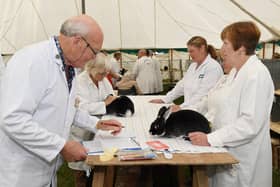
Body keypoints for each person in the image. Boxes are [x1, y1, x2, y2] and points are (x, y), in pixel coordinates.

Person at [0, 15, 123, 187]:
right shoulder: (31, 61)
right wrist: (61, 146)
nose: (93, 58)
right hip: (20, 174)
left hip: (45, 171)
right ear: (78, 41)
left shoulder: (68, 66)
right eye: (94, 52)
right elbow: (12, 119)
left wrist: (96, 124)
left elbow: (66, 109)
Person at [188, 21, 274, 187]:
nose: (222, 48)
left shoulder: (256, 75)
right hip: (226, 150)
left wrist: (210, 138)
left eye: (226, 43)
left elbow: (249, 124)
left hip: (243, 157)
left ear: (241, 48)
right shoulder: (235, 72)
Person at [69, 53, 118, 187]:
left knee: (97, 165)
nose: (103, 77)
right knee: (81, 171)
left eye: (105, 73)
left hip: (98, 126)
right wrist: (104, 104)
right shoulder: (79, 82)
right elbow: (81, 107)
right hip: (81, 132)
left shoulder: (102, 79)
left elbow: (111, 94)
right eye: (101, 73)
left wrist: (108, 98)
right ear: (90, 69)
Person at [150, 36, 223, 112]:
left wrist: (182, 107)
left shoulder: (213, 67)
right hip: (190, 111)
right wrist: (165, 99)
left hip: (203, 114)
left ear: (202, 48)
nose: (190, 54)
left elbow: (203, 94)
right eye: (189, 51)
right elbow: (181, 85)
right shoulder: (193, 66)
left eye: (192, 51)